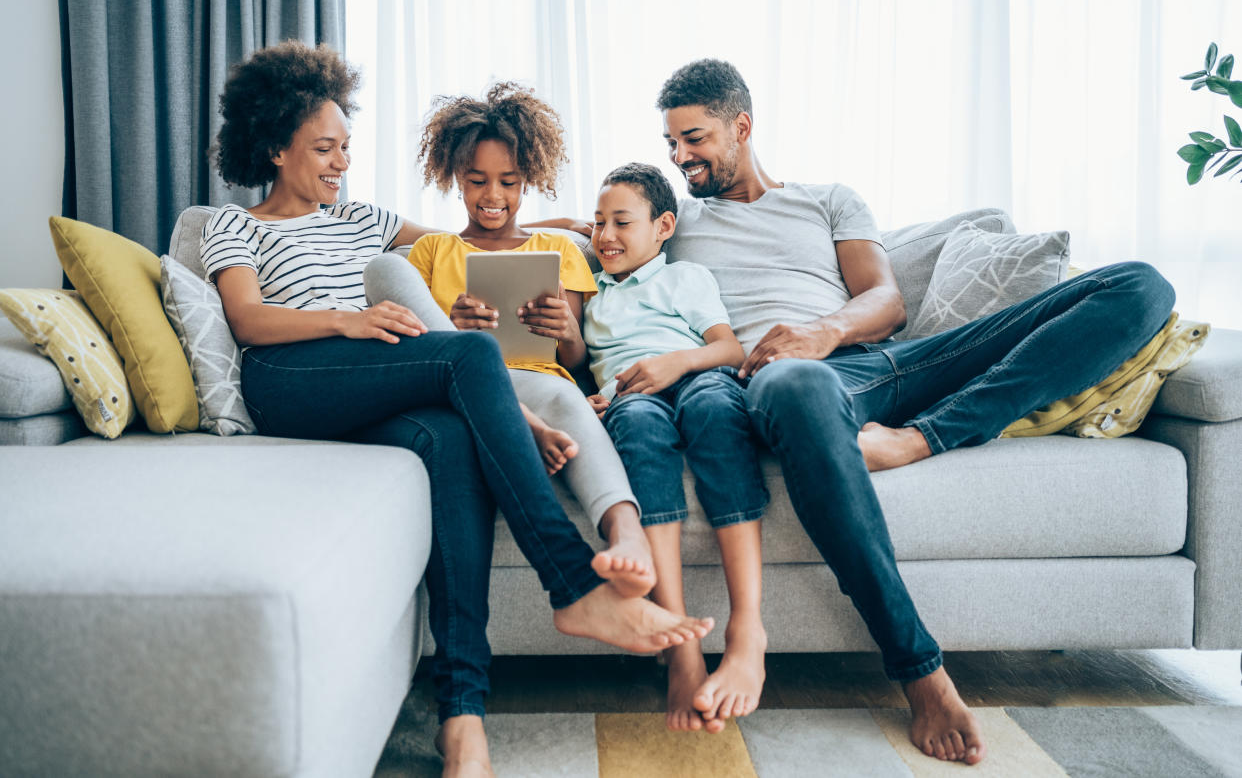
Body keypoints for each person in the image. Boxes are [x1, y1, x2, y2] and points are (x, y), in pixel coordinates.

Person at [202, 40, 713, 778]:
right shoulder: (234, 225)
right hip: (292, 379)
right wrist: (347, 319)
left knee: (449, 441)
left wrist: (576, 229)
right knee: (469, 354)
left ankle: (463, 719)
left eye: (346, 147)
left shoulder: (364, 219)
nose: (342, 163)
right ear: (276, 147)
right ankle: (574, 586)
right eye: (324, 148)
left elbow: (475, 237)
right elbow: (249, 322)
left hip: (372, 384)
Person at [655, 58, 1176, 764]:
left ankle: (921, 438)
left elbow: (886, 301)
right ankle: (920, 670)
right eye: (671, 145)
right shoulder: (673, 222)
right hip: (778, 384)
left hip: (883, 363)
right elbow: (584, 231)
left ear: (741, 127)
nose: (682, 157)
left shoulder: (828, 199)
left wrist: (825, 330)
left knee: (1139, 287)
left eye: (694, 139)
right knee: (801, 386)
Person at [383, 82, 656, 598]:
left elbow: (574, 360)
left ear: (526, 180)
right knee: (518, 394)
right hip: (461, 388)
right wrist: (452, 326)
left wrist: (566, 331)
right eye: (477, 180)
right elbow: (412, 346)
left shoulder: (559, 249)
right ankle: (522, 428)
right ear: (455, 179)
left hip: (538, 382)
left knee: (561, 395)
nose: (493, 196)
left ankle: (625, 532)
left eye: (508, 182)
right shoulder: (431, 252)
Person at [582, 162, 770, 733]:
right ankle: (679, 645)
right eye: (596, 224)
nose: (605, 236)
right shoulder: (589, 297)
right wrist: (593, 397)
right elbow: (583, 370)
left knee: (715, 409)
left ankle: (748, 625)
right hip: (631, 396)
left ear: (664, 226)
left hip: (694, 374)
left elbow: (729, 349)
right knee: (637, 427)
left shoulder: (683, 277)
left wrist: (675, 362)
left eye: (621, 222)